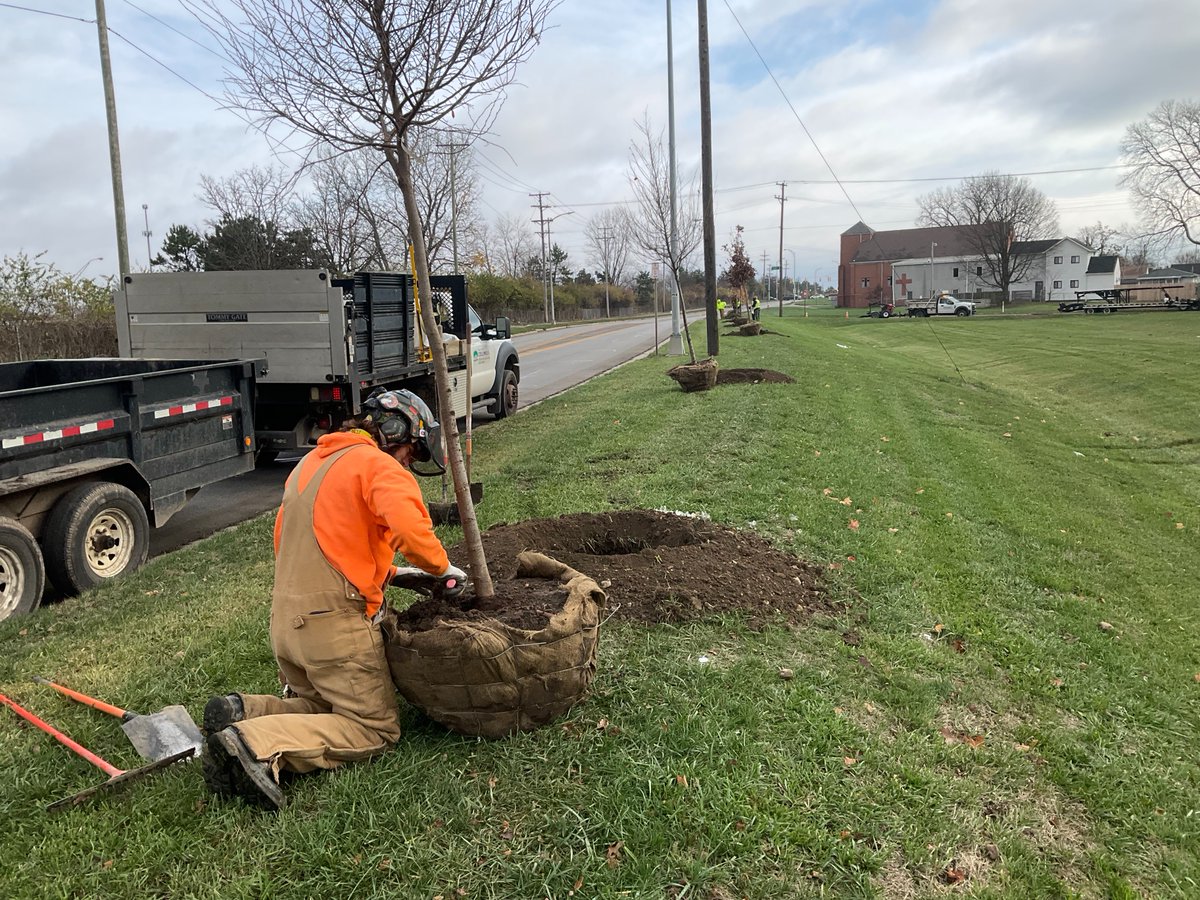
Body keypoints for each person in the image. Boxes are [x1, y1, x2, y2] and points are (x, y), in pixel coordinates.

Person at [201, 388, 466, 810]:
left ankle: (243, 711)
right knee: (373, 727)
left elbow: (309, 544)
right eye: (410, 452)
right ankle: (253, 742)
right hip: (334, 628)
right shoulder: (378, 465)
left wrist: (393, 574)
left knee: (322, 704)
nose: (407, 463)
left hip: (287, 623)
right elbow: (410, 532)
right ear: (394, 433)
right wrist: (441, 568)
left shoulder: (310, 464)